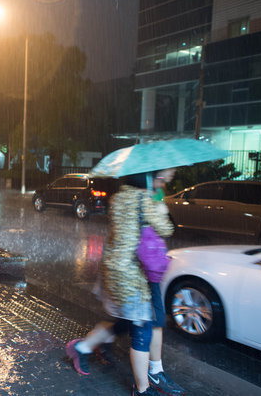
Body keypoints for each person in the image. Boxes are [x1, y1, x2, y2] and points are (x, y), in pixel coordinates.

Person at [66, 169, 183, 396]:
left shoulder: (118, 198)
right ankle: (142, 388)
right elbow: (167, 228)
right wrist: (160, 207)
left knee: (124, 323)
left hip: (112, 269)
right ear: (148, 178)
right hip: (131, 275)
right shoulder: (145, 199)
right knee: (142, 328)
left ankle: (82, 347)